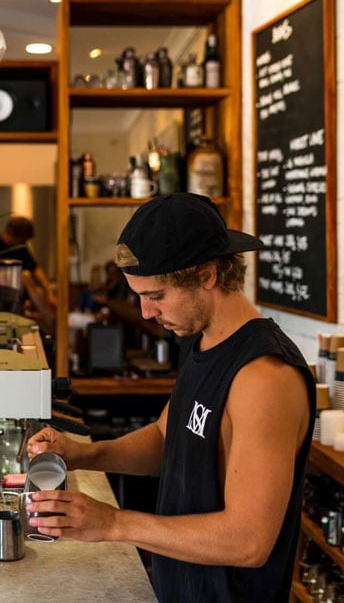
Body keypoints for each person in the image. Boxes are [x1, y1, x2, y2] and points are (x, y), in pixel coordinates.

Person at [26, 193, 315, 603]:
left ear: (208, 275)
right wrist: (83, 454)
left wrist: (113, 523)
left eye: (156, 295)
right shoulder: (202, 341)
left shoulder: (264, 375)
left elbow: (249, 541)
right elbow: (167, 438)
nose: (145, 312)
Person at [0, 215, 56, 311]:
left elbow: (35, 268)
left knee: (26, 277)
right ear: (11, 234)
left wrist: (48, 291)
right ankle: (47, 314)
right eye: (23, 240)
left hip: (17, 296)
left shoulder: (20, 248)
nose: (25, 243)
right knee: (24, 277)